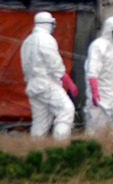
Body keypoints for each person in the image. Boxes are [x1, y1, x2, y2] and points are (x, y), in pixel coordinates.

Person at [20, 11, 77, 141]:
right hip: (46, 84)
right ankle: (60, 145)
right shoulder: (46, 39)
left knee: (40, 121)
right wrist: (69, 82)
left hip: (33, 85)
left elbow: (25, 66)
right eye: (52, 24)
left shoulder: (27, 41)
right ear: (47, 24)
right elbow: (54, 63)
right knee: (66, 110)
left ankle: (34, 150)